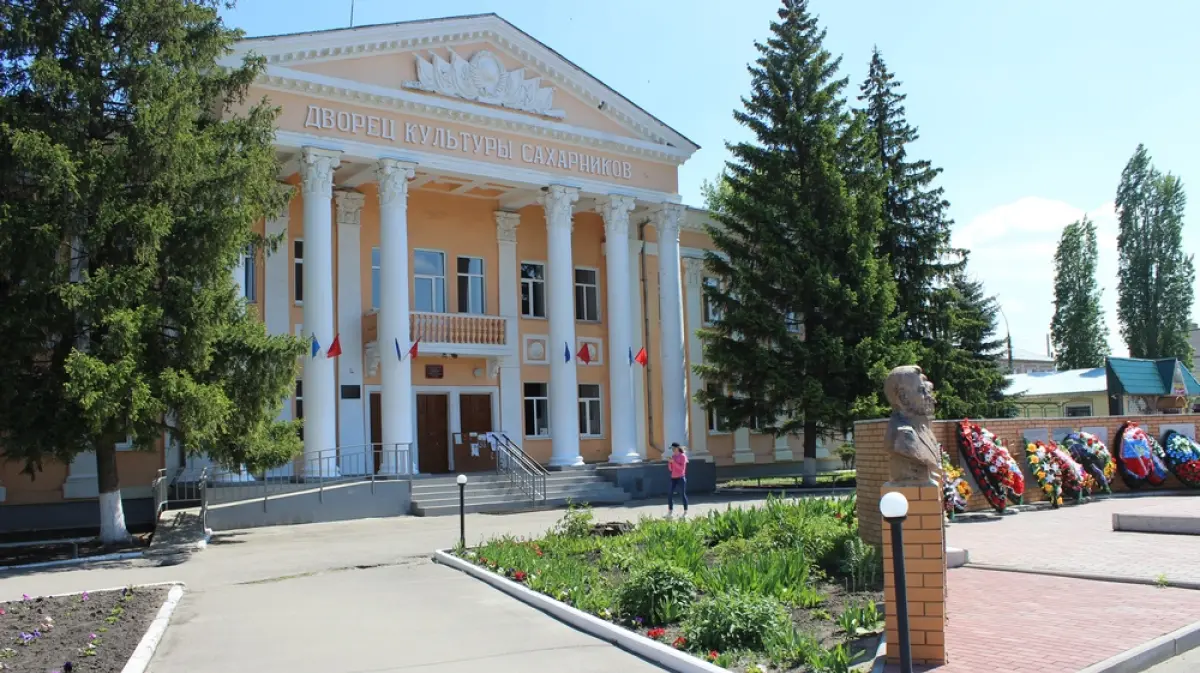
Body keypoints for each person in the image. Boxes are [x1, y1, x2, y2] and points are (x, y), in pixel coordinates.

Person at [667, 442, 689, 517]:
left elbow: (681, 469)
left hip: (681, 477)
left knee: (682, 494)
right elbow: (670, 469)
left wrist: (674, 462)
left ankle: (685, 511)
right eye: (672, 449)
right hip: (673, 478)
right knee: (669, 494)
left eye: (673, 448)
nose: (672, 450)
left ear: (677, 448)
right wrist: (670, 463)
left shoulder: (682, 456)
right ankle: (670, 511)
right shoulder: (673, 456)